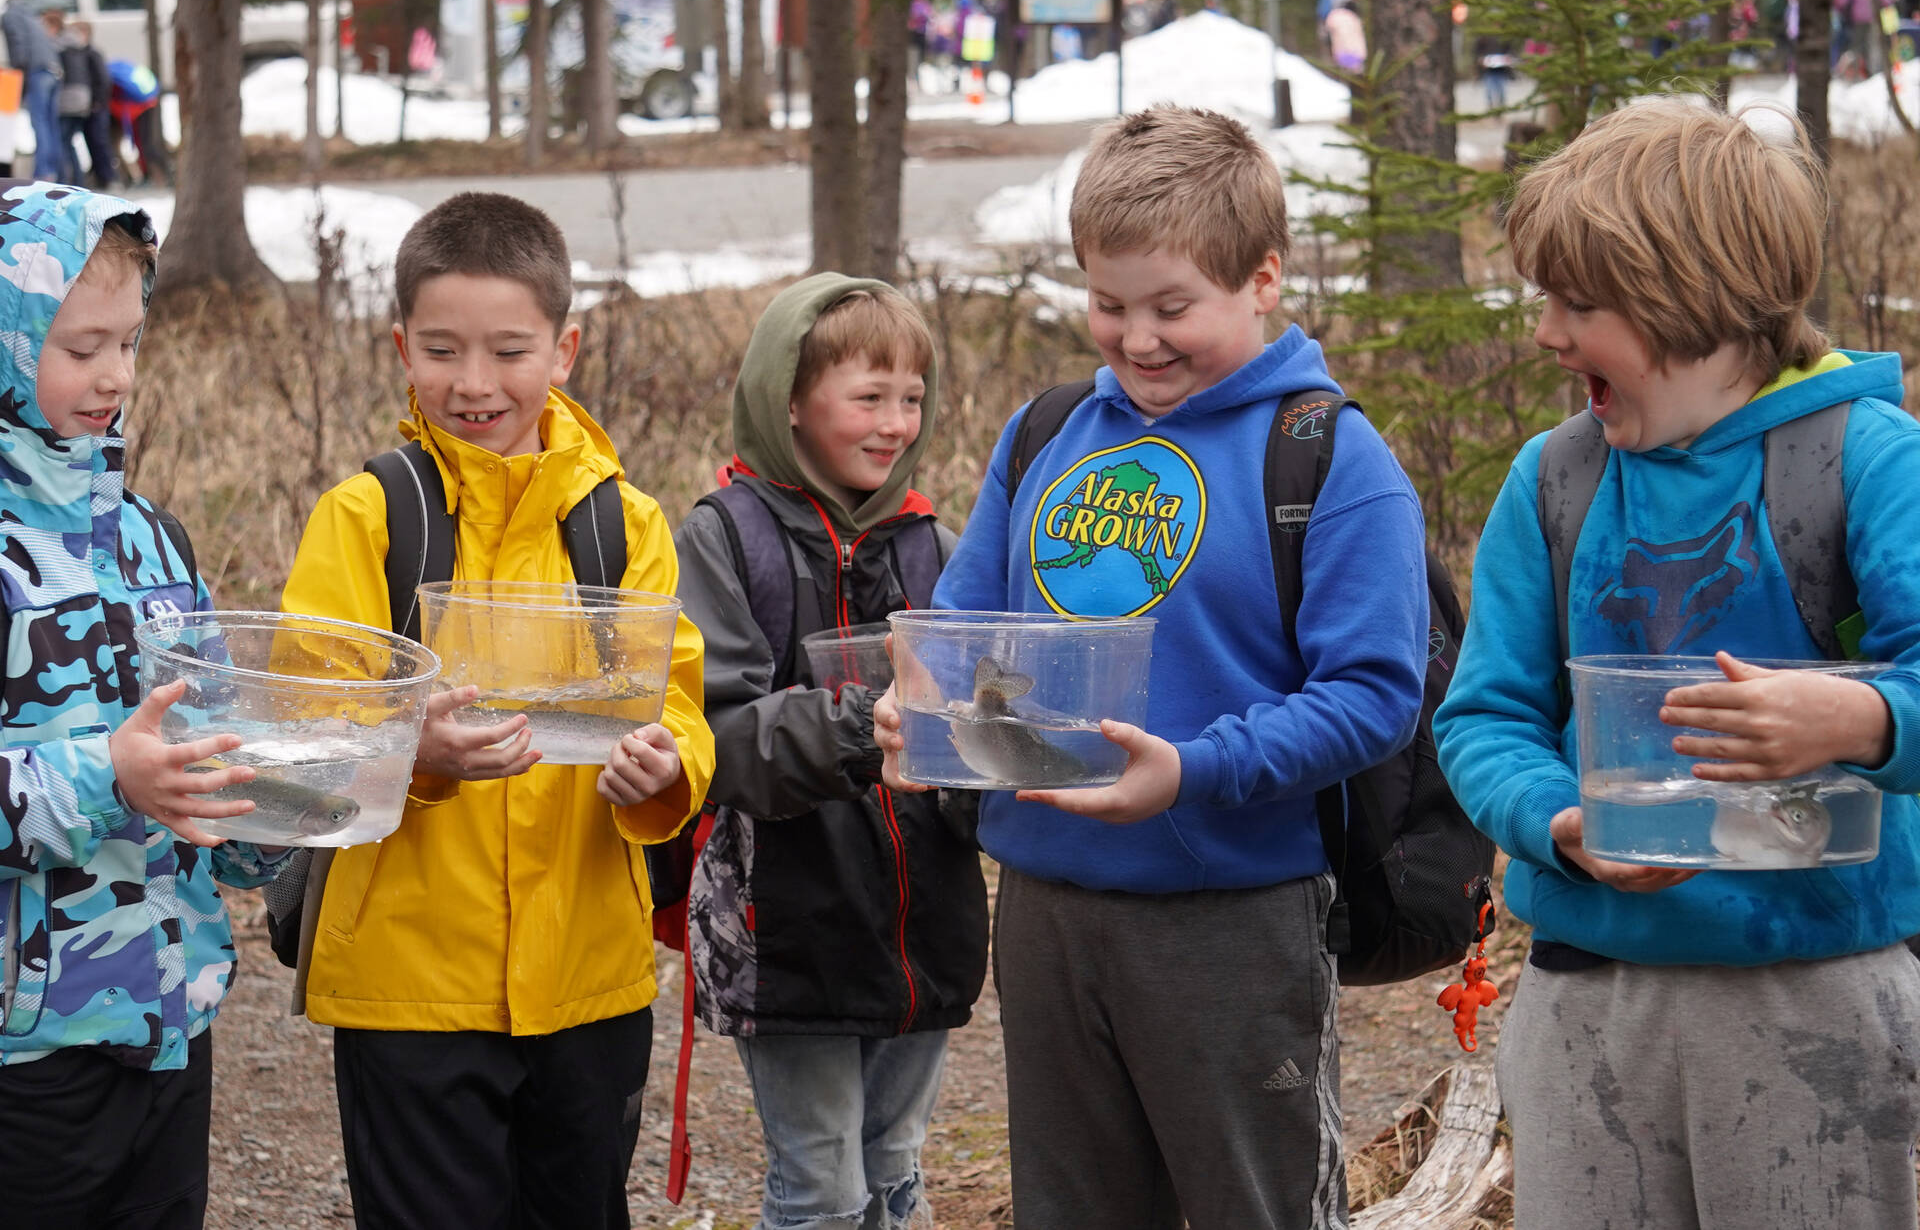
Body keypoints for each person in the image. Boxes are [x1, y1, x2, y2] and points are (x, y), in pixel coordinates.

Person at [874, 105, 1429, 1229]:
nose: (1136, 339)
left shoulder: (1326, 457)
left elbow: (1374, 697)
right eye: (1107, 305)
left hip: (1231, 917)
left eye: (1172, 307)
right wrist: (920, 695)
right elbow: (966, 625)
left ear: (1262, 280)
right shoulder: (1046, 434)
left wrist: (1189, 770)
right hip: (1044, 907)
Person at [1434, 99, 1920, 1230]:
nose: (1547, 335)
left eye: (1579, 305)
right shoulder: (1552, 477)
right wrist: (1559, 824)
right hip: (1583, 998)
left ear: (1688, 297)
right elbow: (1481, 717)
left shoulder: (1867, 462)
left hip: (1817, 992)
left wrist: (1852, 719)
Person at [279, 191, 714, 1230]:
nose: (473, 383)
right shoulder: (367, 520)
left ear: (564, 349)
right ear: (399, 347)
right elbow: (304, 736)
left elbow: (681, 709)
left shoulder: (625, 525)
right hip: (404, 988)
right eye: (441, 349)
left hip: (588, 984)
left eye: (508, 350)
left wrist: (668, 776)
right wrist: (412, 755)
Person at [0, 179, 291, 1228]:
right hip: (7, 1049)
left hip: (168, 1018)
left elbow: (206, 756)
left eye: (129, 344)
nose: (114, 377)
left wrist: (301, 798)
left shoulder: (147, 537)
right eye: (80, 348)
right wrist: (108, 775)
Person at [675, 274, 987, 1230]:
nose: (896, 423)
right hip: (788, 926)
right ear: (790, 402)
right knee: (819, 1186)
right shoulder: (726, 538)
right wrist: (866, 723)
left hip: (920, 925)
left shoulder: (936, 544)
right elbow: (717, 736)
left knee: (896, 1167)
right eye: (868, 397)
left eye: (913, 398)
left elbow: (980, 714)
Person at [2, 3, 66, 181]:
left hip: (38, 72)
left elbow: (18, 44)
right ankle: (57, 172)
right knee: (51, 125)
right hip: (54, 71)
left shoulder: (10, 17)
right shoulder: (31, 18)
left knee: (40, 125)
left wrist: (18, 72)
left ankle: (43, 173)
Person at [57, 20, 116, 190]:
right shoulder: (79, 53)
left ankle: (108, 177)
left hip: (96, 106)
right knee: (91, 142)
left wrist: (98, 101)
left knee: (98, 142)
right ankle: (98, 177)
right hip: (88, 105)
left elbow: (103, 80)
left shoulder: (92, 53)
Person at [108, 59, 172, 188]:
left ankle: (156, 176)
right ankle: (158, 175)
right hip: (140, 107)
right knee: (144, 144)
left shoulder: (110, 81)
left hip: (136, 109)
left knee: (144, 144)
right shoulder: (115, 78)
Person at [1324, 0, 1366, 74]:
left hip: (1341, 52)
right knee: (1356, 75)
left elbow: (1327, 32)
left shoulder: (1334, 15)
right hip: (1357, 53)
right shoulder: (1356, 18)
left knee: (1344, 75)